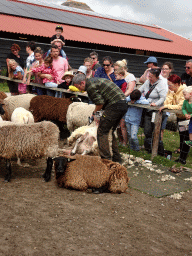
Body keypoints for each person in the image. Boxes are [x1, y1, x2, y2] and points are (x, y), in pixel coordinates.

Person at [72, 74, 128, 164]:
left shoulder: (90, 87)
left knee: (102, 132)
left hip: (115, 105)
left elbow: (100, 103)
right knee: (110, 131)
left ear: (82, 83)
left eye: (78, 87)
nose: (79, 89)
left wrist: (94, 114)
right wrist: (98, 115)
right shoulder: (94, 81)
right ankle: (117, 159)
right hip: (122, 104)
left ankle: (106, 160)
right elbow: (103, 101)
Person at [159, 74, 188, 164]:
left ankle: (183, 159)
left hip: (187, 118)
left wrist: (167, 106)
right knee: (181, 137)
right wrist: (170, 95)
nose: (169, 87)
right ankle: (181, 157)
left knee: (186, 139)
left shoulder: (185, 91)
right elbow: (167, 101)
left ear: (177, 84)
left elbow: (180, 106)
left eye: (170, 85)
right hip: (180, 118)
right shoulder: (172, 90)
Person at [139, 68, 168, 155]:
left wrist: (156, 104)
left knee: (156, 131)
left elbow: (163, 97)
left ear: (157, 76)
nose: (149, 78)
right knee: (147, 130)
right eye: (149, 76)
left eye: (151, 76)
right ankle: (148, 149)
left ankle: (159, 151)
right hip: (147, 109)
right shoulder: (147, 82)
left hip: (156, 111)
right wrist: (134, 96)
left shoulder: (161, 84)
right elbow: (140, 90)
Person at [114, 67, 128, 146]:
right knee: (117, 125)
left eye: (116, 75)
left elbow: (122, 92)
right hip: (115, 103)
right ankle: (119, 140)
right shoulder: (115, 82)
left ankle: (125, 142)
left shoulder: (123, 82)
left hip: (120, 103)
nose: (115, 77)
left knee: (122, 125)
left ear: (120, 75)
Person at [160, 62, 174, 139]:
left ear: (170, 70)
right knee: (153, 126)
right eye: (163, 69)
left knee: (162, 128)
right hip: (157, 104)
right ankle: (150, 144)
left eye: (166, 69)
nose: (164, 70)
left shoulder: (172, 80)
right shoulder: (158, 78)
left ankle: (160, 144)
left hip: (166, 106)